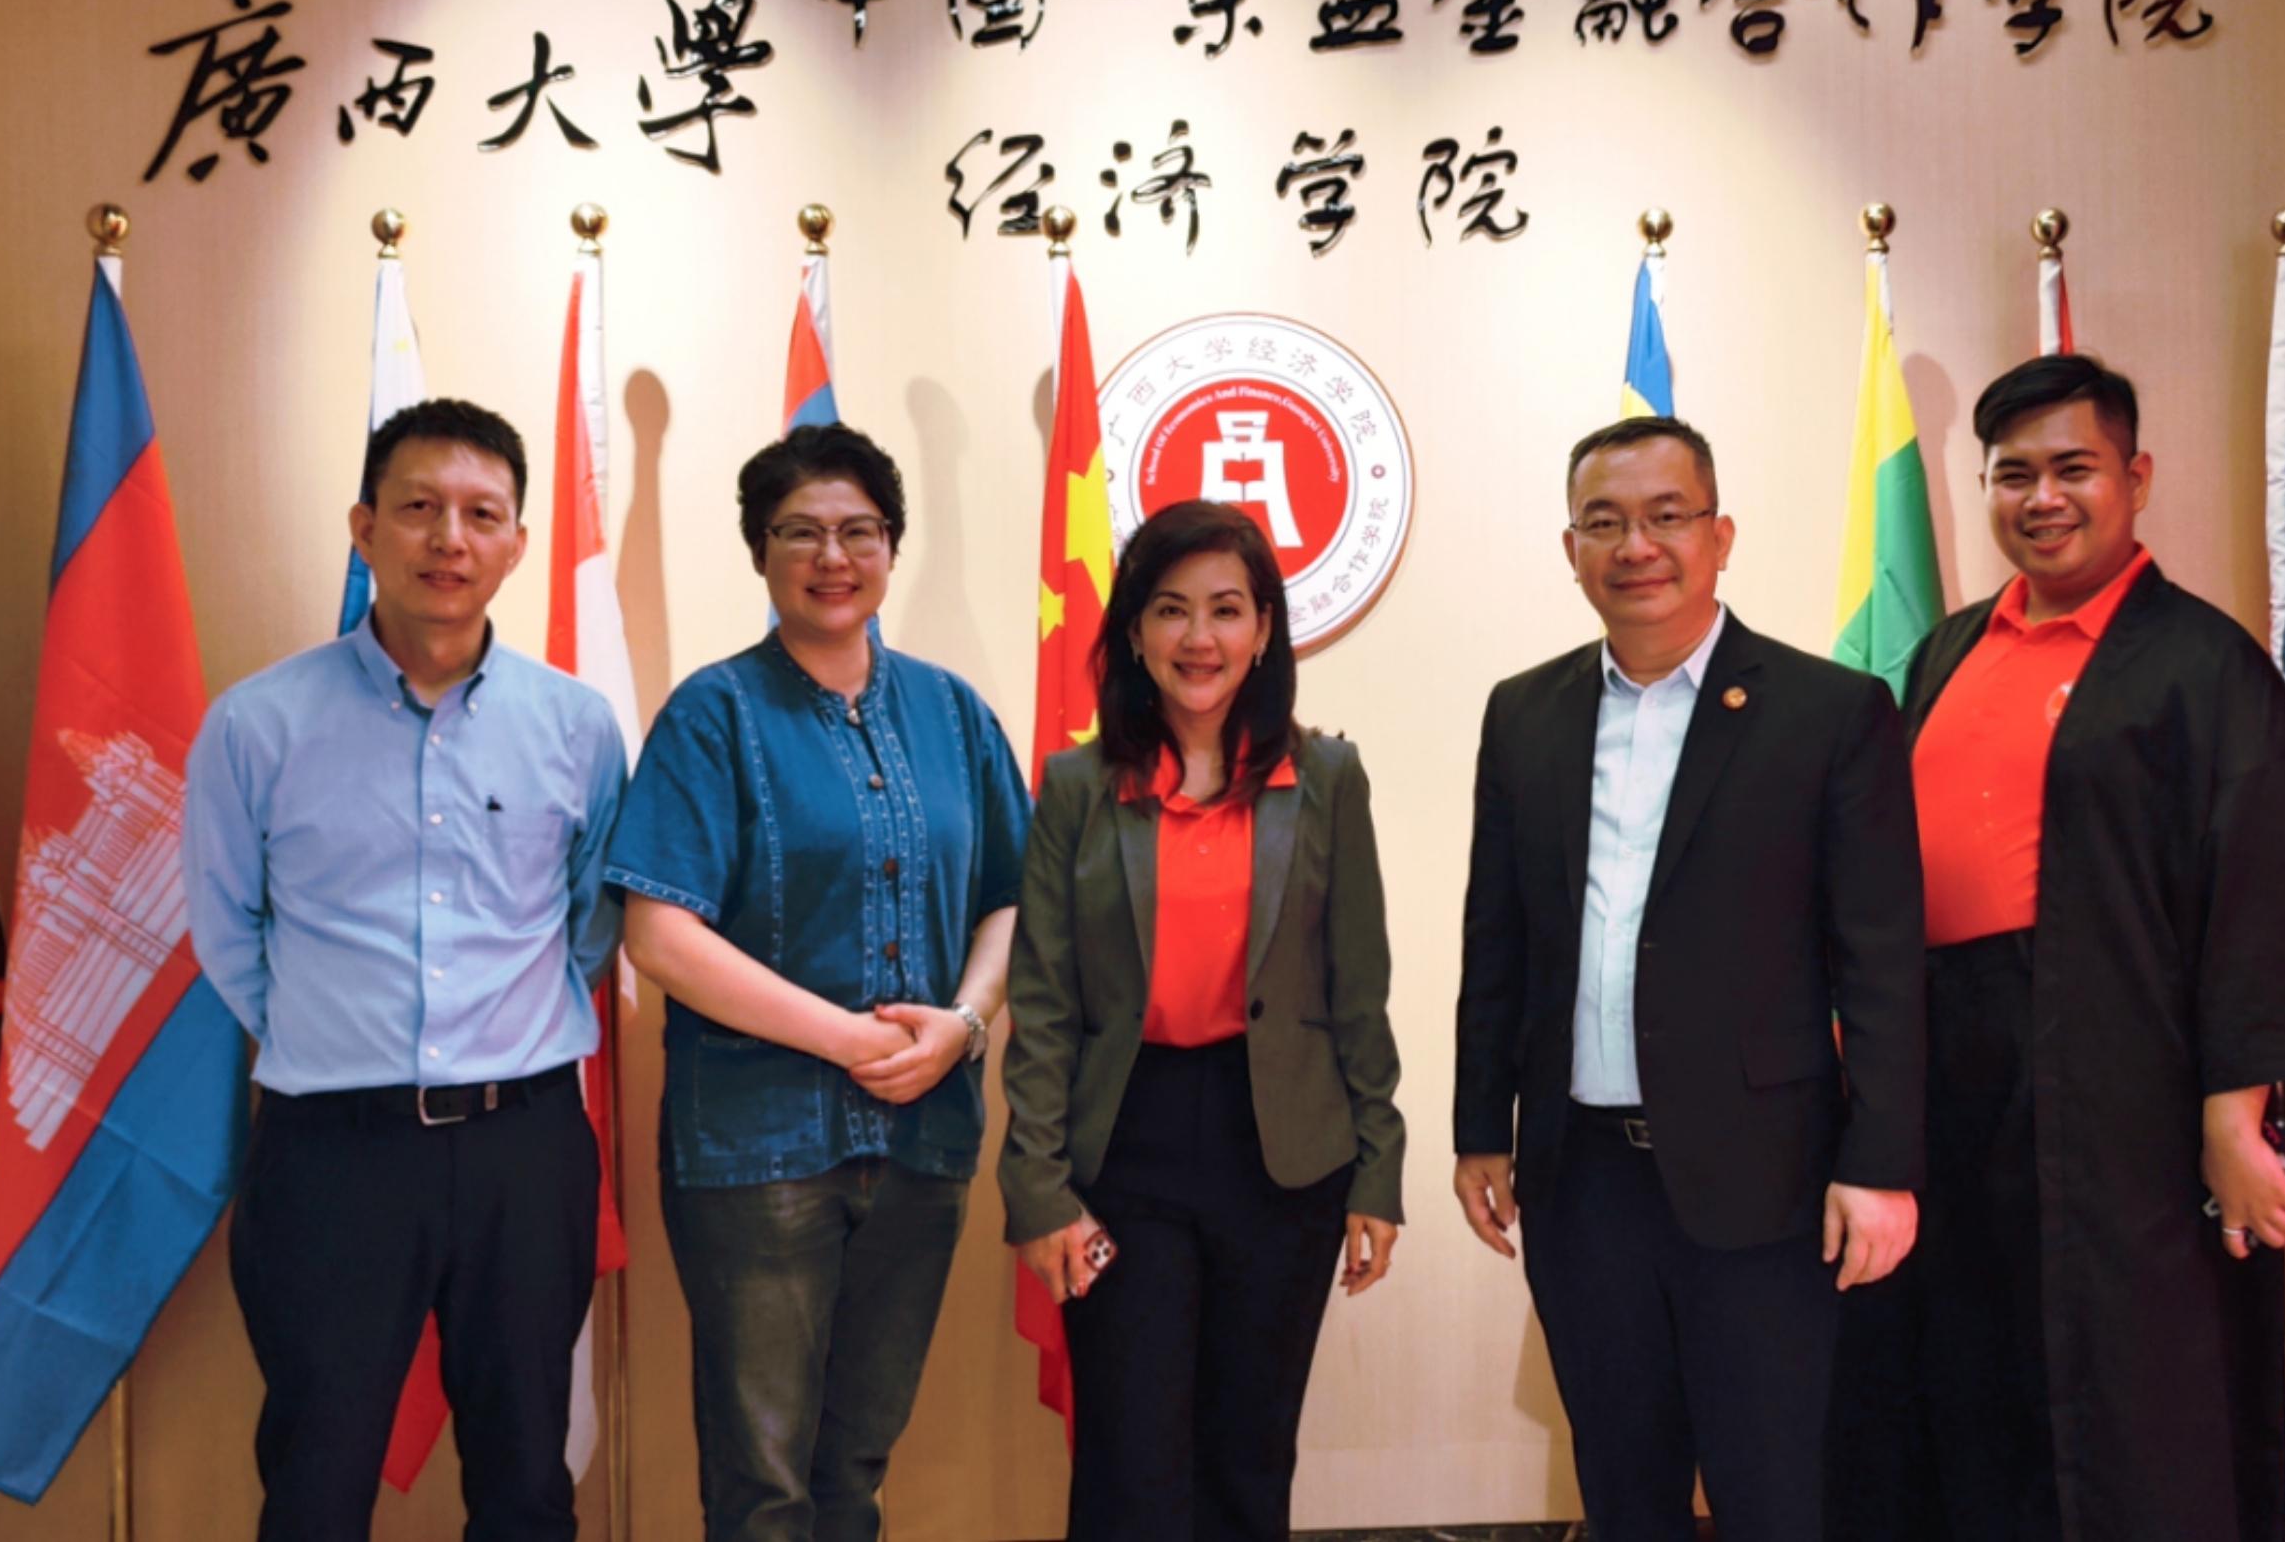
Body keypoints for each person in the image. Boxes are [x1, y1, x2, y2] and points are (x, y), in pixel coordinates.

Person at [1842, 354, 2285, 1542]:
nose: (2041, 497)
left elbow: (2260, 895)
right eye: (2012, 473)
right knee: (1966, 1376)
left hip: (2126, 1089)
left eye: (2072, 467)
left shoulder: (2200, 661)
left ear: (2134, 477)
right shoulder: (1948, 648)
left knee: (2133, 1397)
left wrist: (2233, 1116)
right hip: (1951, 1079)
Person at [1452, 414, 1926, 1542]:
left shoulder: (1828, 712)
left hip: (1765, 1182)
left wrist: (1881, 1163)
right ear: (1570, 548)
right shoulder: (1523, 712)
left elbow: (1880, 960)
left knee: (1772, 1495)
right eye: (1604, 522)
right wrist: (1480, 1127)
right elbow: (1496, 938)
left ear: (1720, 535)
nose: (1636, 546)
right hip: (1579, 1181)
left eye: (1665, 516)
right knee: (1624, 1491)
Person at [184, 398, 629, 1542]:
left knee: (526, 1480)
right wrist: (335, 1034)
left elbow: (590, 920)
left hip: (523, 1144)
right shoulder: (256, 724)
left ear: (516, 542)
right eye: (419, 506)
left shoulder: (577, 726)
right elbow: (226, 925)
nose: (449, 538)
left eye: (481, 514)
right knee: (316, 1481)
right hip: (333, 1150)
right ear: (364, 526)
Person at [604, 422, 1029, 1542]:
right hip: (757, 1151)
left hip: (924, 1140)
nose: (831, 556)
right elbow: (658, 934)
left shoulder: (953, 713)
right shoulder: (714, 713)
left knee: (855, 1466)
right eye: (799, 532)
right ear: (759, 551)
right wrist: (847, 1039)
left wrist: (964, 1022)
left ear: (891, 545)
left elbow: (1012, 895)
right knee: (764, 1482)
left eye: (858, 531)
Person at [1001, 500, 1408, 1542]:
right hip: (1124, 1148)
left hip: (1284, 1153)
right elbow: (1043, 1004)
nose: (1199, 637)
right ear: (1134, 630)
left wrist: (1378, 1168)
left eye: (1226, 609)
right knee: (1130, 1461)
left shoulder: (1325, 778)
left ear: (1264, 628)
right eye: (1170, 609)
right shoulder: (1076, 787)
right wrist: (1037, 1186)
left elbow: (1357, 988)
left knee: (1247, 1454)